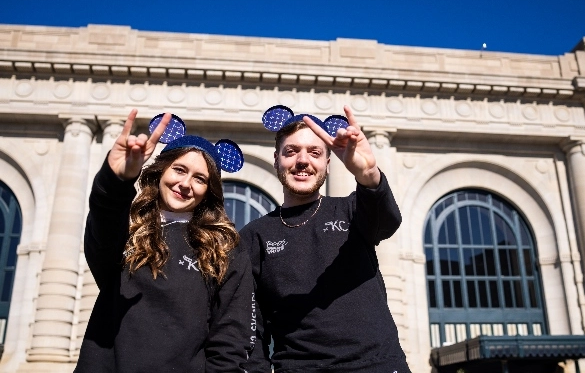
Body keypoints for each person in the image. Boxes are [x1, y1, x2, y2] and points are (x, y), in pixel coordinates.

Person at [76, 109, 254, 372]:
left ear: (209, 190)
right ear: (161, 171)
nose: (185, 183)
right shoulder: (126, 228)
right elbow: (101, 230)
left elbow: (231, 338)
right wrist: (116, 181)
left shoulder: (225, 248)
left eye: (200, 179)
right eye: (179, 170)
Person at [241, 105, 411, 373]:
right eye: (291, 151)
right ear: (276, 159)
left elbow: (388, 222)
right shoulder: (254, 236)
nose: (302, 160)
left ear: (328, 164)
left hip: (378, 365)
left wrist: (368, 176)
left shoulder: (354, 210)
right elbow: (252, 326)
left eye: (314, 152)